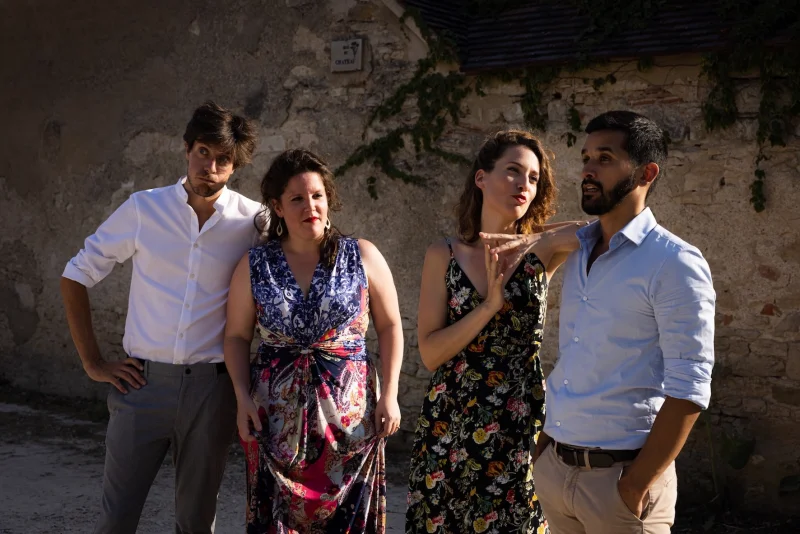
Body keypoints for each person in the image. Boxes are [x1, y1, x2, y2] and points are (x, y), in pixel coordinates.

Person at [495, 111, 715, 534]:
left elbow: (690, 386)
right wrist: (544, 455)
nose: (588, 170)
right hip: (556, 473)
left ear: (646, 172)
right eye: (587, 157)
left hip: (620, 483)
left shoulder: (675, 262)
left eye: (606, 159)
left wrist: (633, 486)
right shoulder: (578, 249)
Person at [59, 101, 260, 534]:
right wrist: (93, 362)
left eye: (223, 159)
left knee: (195, 523)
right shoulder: (143, 209)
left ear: (234, 166)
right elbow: (76, 273)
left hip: (212, 390)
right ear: (186, 148)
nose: (210, 165)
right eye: (203, 151)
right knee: (116, 520)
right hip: (142, 387)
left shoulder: (253, 221)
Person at [406, 130, 586, 534]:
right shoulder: (444, 253)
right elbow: (432, 353)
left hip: (518, 419)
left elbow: (599, 230)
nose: (524, 184)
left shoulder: (542, 251)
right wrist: (489, 307)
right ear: (481, 178)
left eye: (534, 178)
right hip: (451, 417)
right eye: (512, 171)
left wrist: (540, 237)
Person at [224, 148, 404, 533]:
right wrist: (241, 398)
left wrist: (390, 393)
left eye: (318, 195)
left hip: (351, 425)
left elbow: (390, 327)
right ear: (277, 206)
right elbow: (237, 337)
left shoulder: (363, 256)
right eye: (297, 198)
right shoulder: (255, 264)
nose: (311, 206)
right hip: (275, 424)